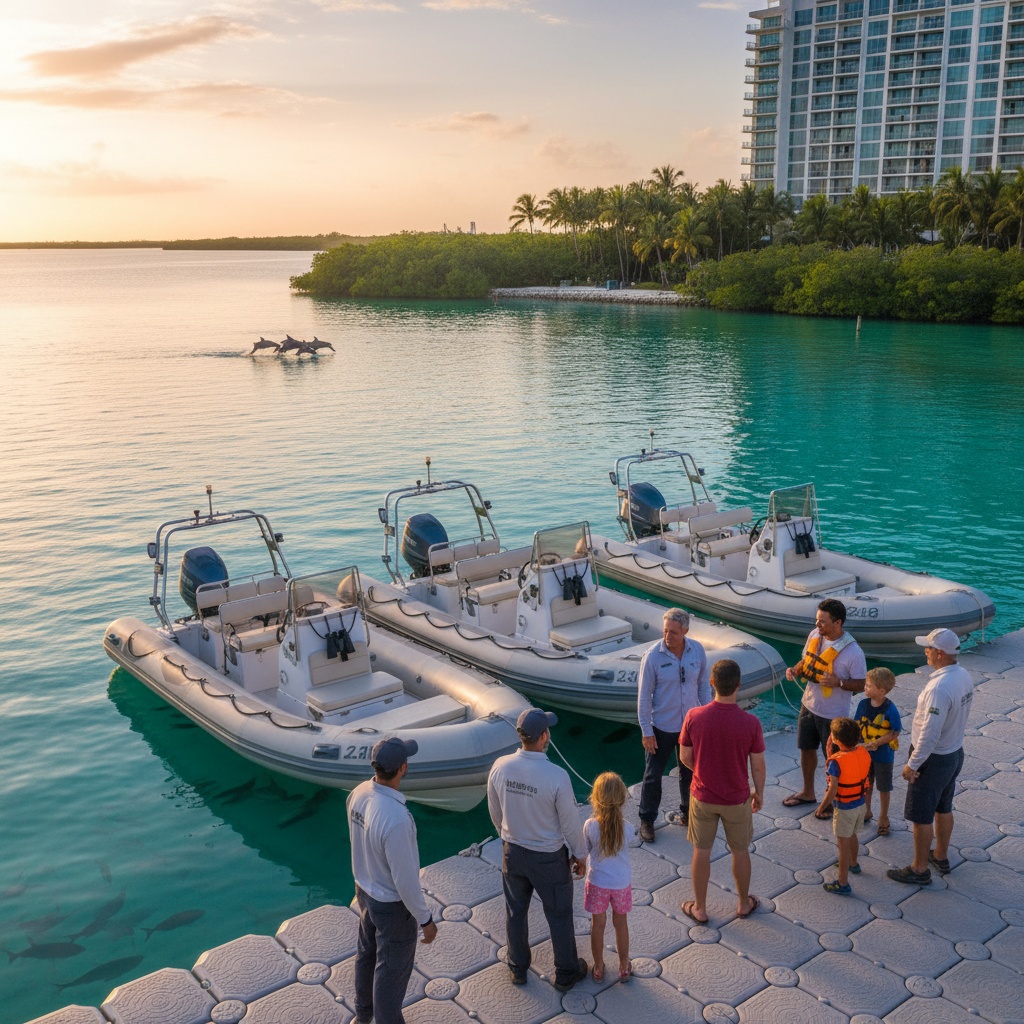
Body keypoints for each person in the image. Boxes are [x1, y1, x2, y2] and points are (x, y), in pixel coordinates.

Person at [487, 708, 588, 992]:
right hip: (548, 859)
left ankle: (517, 968)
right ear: (544, 736)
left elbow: (495, 812)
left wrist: (507, 838)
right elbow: (569, 823)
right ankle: (566, 971)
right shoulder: (556, 776)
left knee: (515, 912)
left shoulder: (500, 766)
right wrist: (579, 854)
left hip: (513, 853)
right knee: (558, 914)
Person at [347, 736, 438, 1024]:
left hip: (364, 891)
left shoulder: (358, 793)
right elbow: (405, 879)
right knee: (391, 972)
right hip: (391, 906)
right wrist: (425, 920)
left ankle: (363, 1015)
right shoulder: (397, 817)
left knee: (367, 954)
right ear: (403, 768)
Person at [678, 658, 766, 923]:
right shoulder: (751, 723)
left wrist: (704, 772)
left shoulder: (694, 716)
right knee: (740, 851)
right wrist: (758, 792)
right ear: (739, 685)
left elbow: (685, 756)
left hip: (703, 796)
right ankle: (742, 904)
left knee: (701, 851)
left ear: (711, 682)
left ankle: (701, 908)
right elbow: (758, 766)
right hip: (738, 799)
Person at [888, 628, 974, 885]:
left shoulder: (938, 687)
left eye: (927, 647)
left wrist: (912, 764)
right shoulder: (963, 674)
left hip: (932, 758)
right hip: (954, 752)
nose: (924, 651)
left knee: (921, 815)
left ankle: (918, 870)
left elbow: (929, 734)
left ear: (939, 653)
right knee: (944, 806)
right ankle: (941, 856)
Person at [782, 599, 867, 819]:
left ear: (838, 622)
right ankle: (808, 792)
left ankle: (834, 800)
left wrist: (839, 682)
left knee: (834, 760)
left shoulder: (853, 652)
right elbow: (806, 662)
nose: (818, 626)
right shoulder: (814, 635)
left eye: (823, 622)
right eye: (817, 620)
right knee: (806, 749)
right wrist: (795, 670)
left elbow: (861, 684)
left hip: (833, 714)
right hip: (809, 704)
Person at [636, 607, 712, 843]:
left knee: (689, 772)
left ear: (685, 631)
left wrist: (706, 716)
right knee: (652, 776)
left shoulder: (697, 651)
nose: (668, 636)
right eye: (666, 631)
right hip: (661, 727)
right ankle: (647, 821)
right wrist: (646, 731)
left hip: (690, 726)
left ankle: (688, 814)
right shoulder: (652, 657)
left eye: (673, 632)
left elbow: (703, 686)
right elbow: (643, 696)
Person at [583, 772, 634, 984]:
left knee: (598, 924)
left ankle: (599, 967)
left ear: (595, 798)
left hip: (597, 883)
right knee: (620, 923)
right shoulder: (628, 829)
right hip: (621, 883)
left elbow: (586, 851)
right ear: (622, 799)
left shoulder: (590, 826)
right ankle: (623, 965)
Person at [819, 717, 872, 895]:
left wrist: (822, 807)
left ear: (835, 739)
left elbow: (833, 789)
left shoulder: (836, 762)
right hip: (860, 803)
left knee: (842, 845)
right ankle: (853, 864)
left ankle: (842, 883)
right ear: (858, 738)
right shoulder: (863, 752)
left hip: (844, 807)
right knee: (853, 834)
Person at [854, 667, 903, 836]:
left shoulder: (890, 708)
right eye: (866, 685)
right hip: (865, 754)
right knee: (866, 784)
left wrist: (876, 742)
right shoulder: (862, 704)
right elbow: (856, 726)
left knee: (883, 787)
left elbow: (895, 731)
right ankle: (867, 811)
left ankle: (883, 817)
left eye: (869, 686)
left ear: (882, 691)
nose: (865, 688)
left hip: (883, 755)